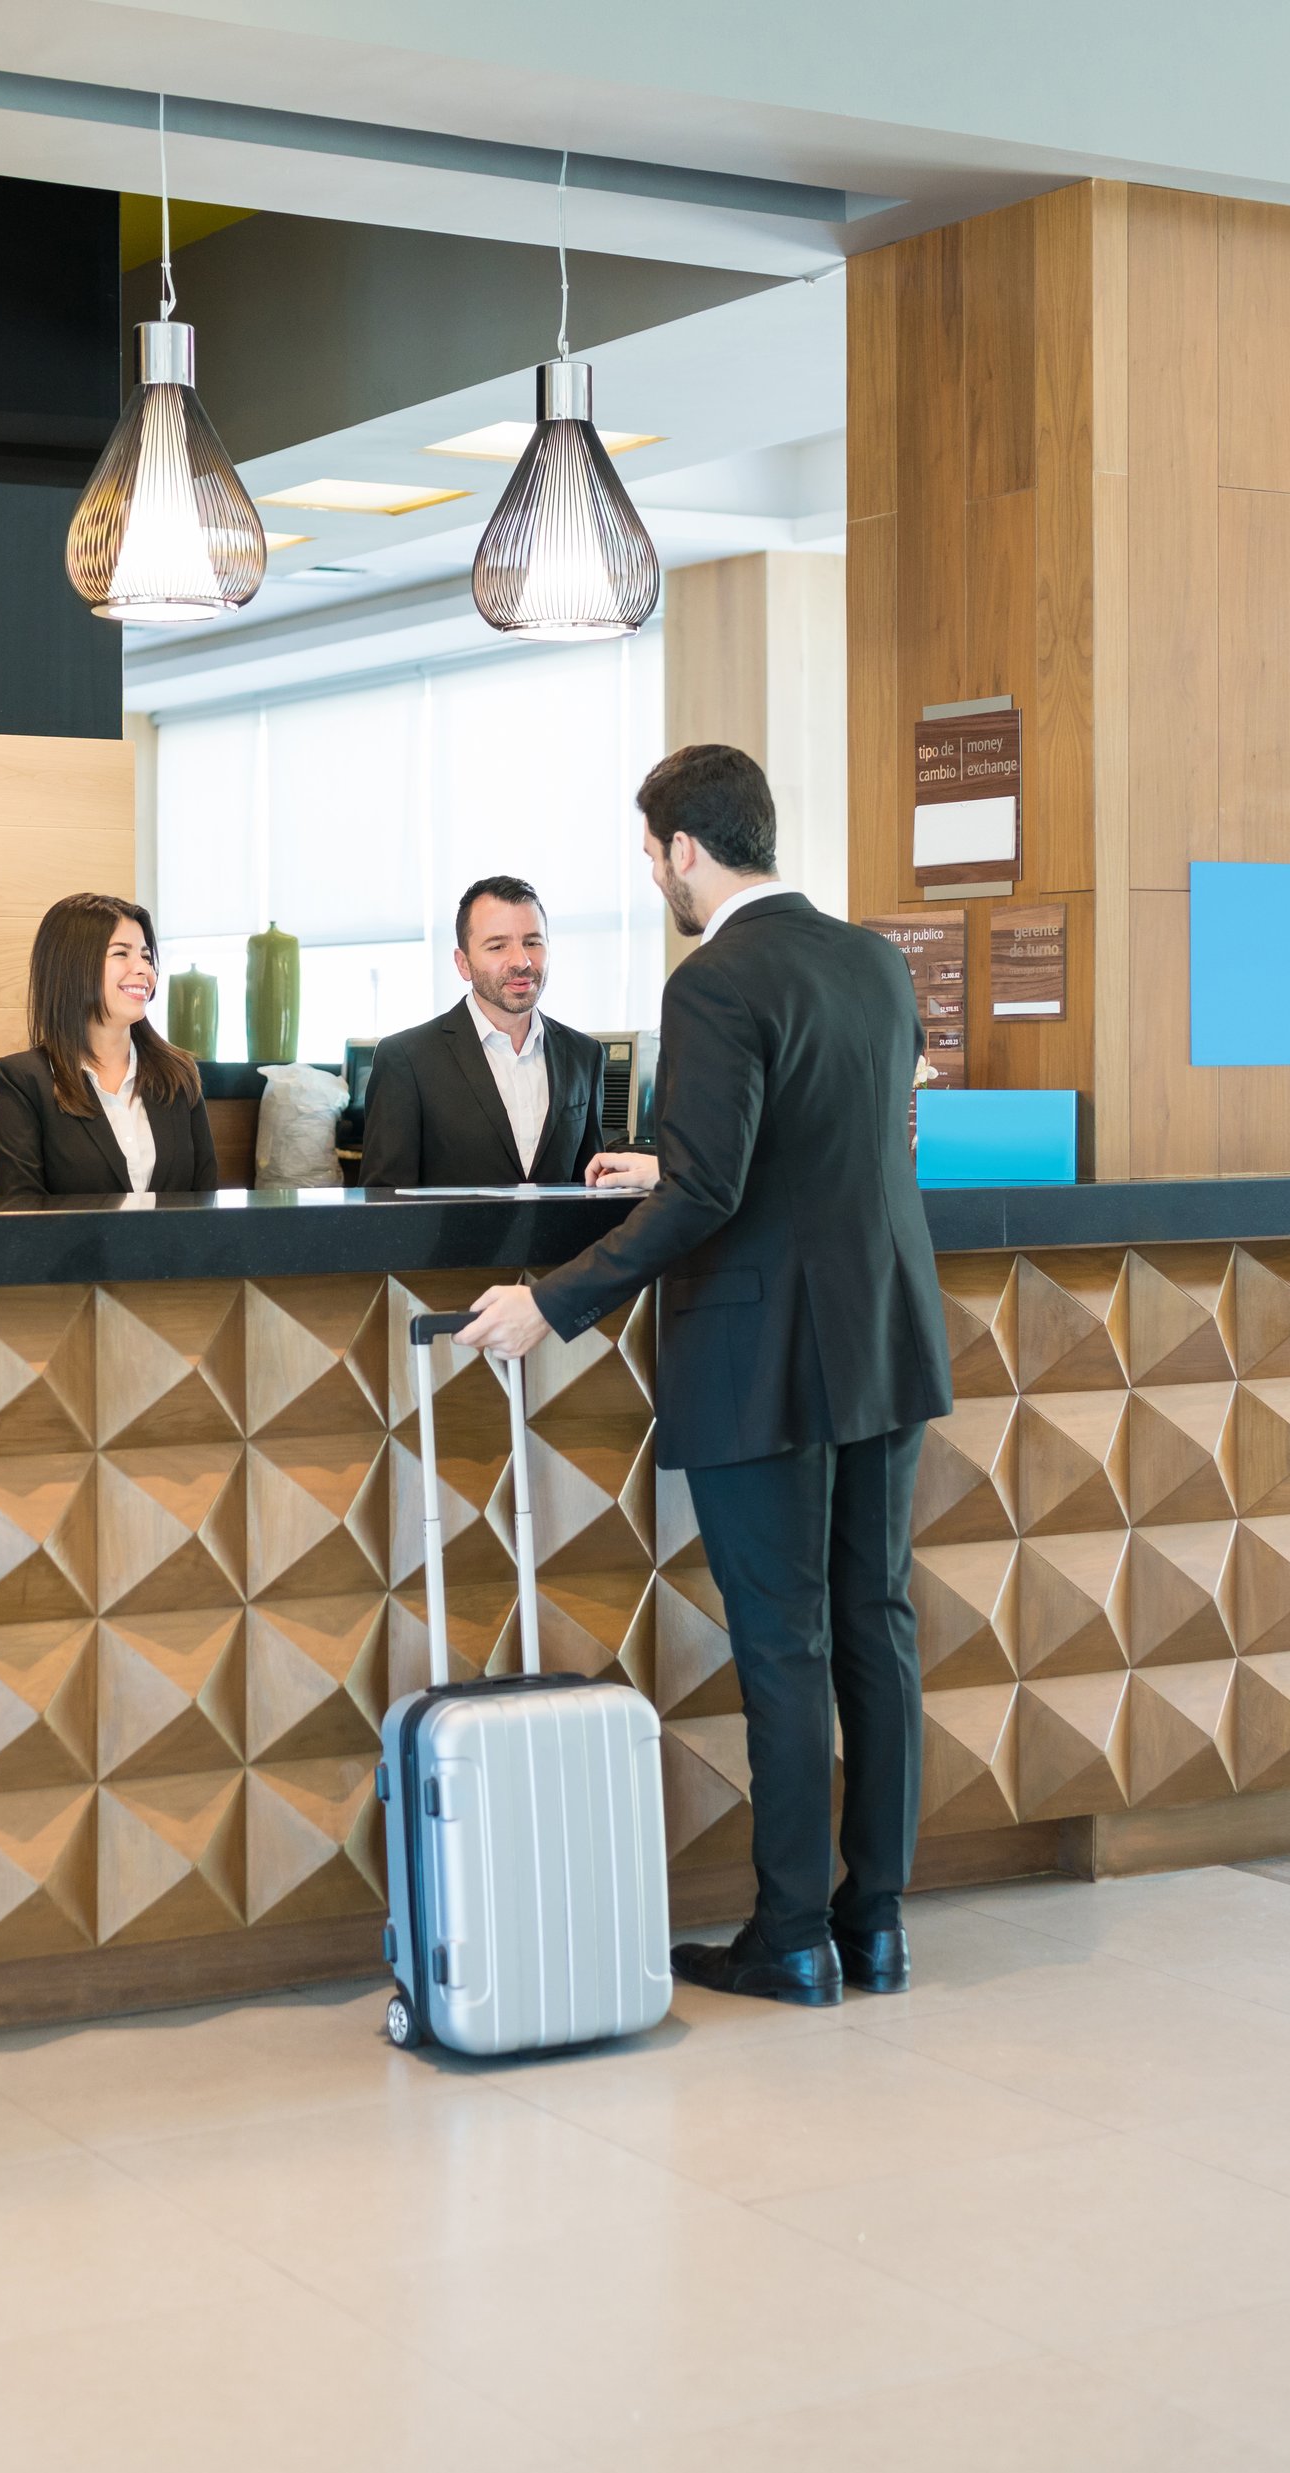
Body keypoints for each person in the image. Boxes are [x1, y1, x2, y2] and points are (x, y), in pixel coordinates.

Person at [453, 746, 951, 2006]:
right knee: (875, 1632)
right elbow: (820, 1146)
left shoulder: (717, 977)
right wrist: (668, 1172)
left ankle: (791, 1937)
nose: (657, 875)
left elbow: (719, 1191)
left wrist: (551, 1300)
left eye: (652, 854)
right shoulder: (874, 961)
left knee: (782, 1648)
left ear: (684, 850)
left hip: (763, 1353)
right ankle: (873, 1925)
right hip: (883, 1338)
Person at [358, 874, 614, 1190]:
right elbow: (385, 1201)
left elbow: (589, 1188)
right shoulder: (406, 1059)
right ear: (463, 963)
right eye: (497, 946)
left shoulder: (584, 1055)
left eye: (533, 942)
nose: (521, 961)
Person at [0, 892, 221, 1200]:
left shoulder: (178, 1074)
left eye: (146, 956)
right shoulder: (22, 1080)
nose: (143, 970)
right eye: (122, 954)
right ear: (73, 966)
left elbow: (206, 1203)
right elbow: (22, 1213)